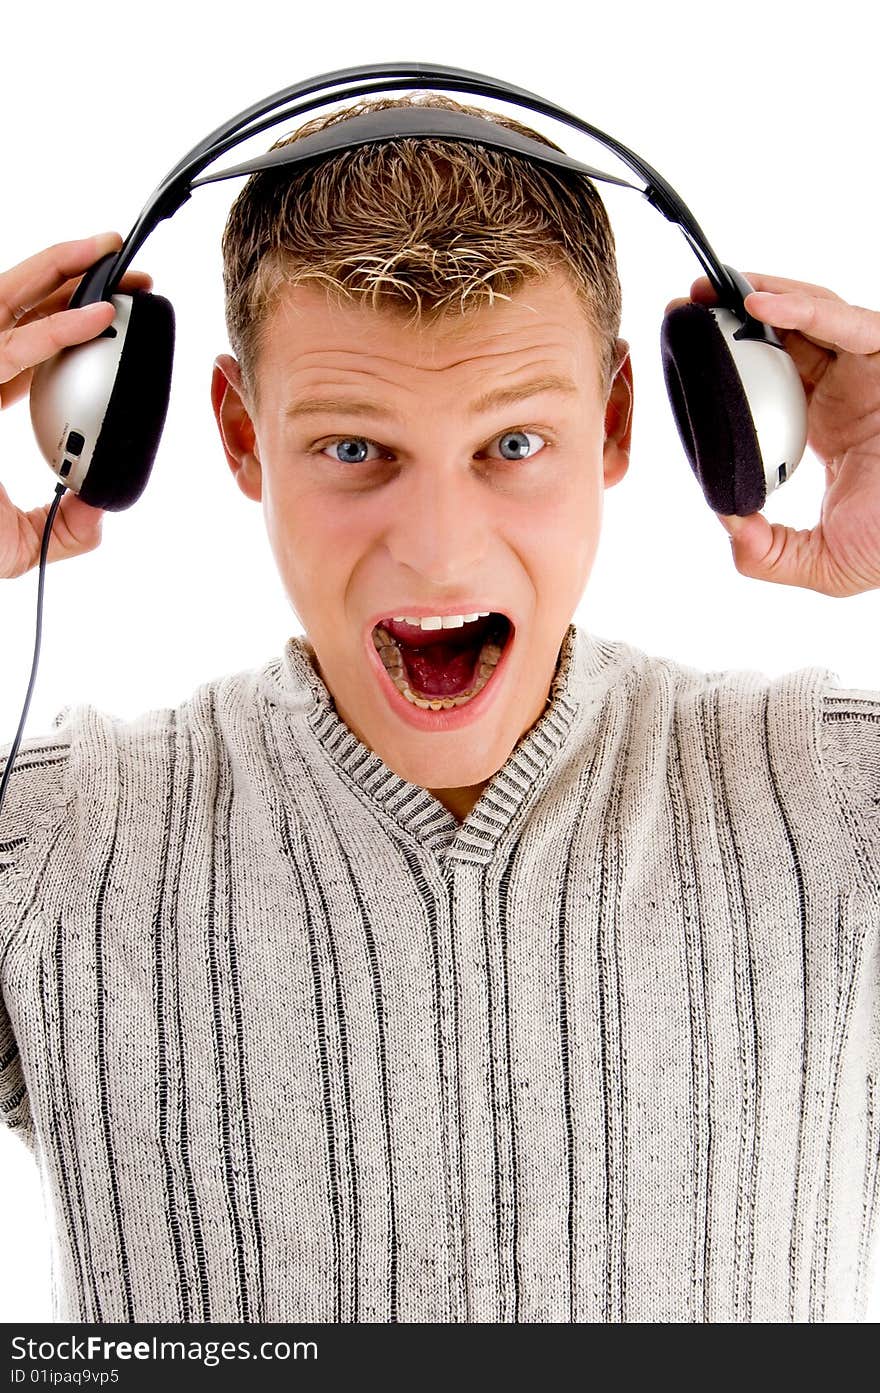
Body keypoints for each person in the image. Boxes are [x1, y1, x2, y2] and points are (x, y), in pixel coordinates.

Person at [1, 93, 879, 1324]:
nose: (439, 554)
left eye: (512, 444)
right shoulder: (54, 846)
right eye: (355, 450)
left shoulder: (842, 813)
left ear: (616, 424)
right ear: (242, 438)